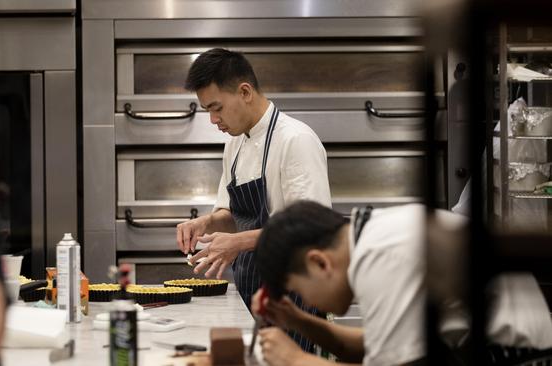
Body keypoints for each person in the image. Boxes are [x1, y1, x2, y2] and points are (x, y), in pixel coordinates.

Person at [253, 201, 552, 366]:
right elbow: (371, 350)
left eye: (297, 291)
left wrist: (297, 361)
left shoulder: (378, 254)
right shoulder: (373, 234)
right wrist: (299, 321)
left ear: (320, 262)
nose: (307, 301)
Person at [176, 48, 332, 352]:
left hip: (294, 297)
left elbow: (312, 231)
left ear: (245, 91)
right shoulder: (234, 144)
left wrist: (237, 243)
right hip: (251, 291)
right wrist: (206, 222)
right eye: (207, 110)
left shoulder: (295, 140)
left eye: (216, 107)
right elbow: (233, 213)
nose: (212, 119)